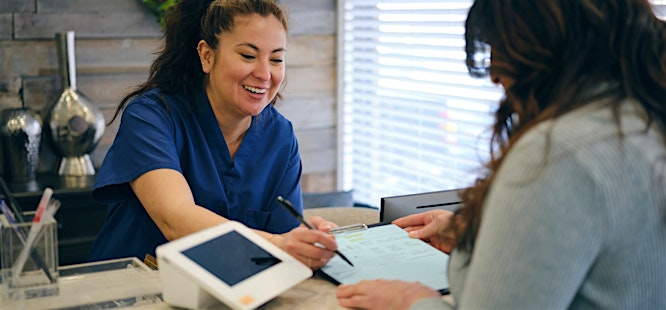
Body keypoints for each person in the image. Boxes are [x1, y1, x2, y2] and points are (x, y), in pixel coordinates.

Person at [336, 0, 666, 308]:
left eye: (500, 44)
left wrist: (413, 302)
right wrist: (476, 238)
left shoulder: (557, 152)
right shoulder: (641, 119)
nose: (494, 74)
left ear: (540, 40)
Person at [87, 0, 338, 270]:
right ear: (207, 56)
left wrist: (305, 241)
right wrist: (277, 245)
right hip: (133, 291)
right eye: (248, 56)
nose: (265, 74)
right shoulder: (151, 117)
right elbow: (176, 218)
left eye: (276, 59)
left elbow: (283, 239)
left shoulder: (280, 136)